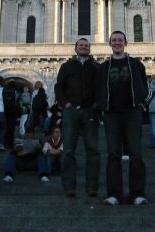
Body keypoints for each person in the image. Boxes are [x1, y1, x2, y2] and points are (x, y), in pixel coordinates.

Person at [97, 31, 148, 206]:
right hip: (111, 114)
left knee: (136, 153)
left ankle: (137, 194)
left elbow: (144, 85)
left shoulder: (135, 64)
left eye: (120, 40)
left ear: (126, 42)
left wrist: (140, 101)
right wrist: (102, 106)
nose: (117, 43)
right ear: (110, 44)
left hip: (132, 112)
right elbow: (99, 88)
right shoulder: (103, 67)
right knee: (113, 154)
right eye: (114, 40)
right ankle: (114, 194)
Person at [54, 37, 99, 198]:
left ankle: (92, 187)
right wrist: (65, 104)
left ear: (89, 48)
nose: (83, 47)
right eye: (81, 45)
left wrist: (96, 104)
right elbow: (59, 87)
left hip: (89, 111)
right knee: (68, 150)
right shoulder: (66, 66)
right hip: (71, 111)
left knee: (93, 150)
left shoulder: (95, 66)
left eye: (86, 46)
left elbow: (100, 88)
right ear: (75, 48)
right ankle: (69, 186)